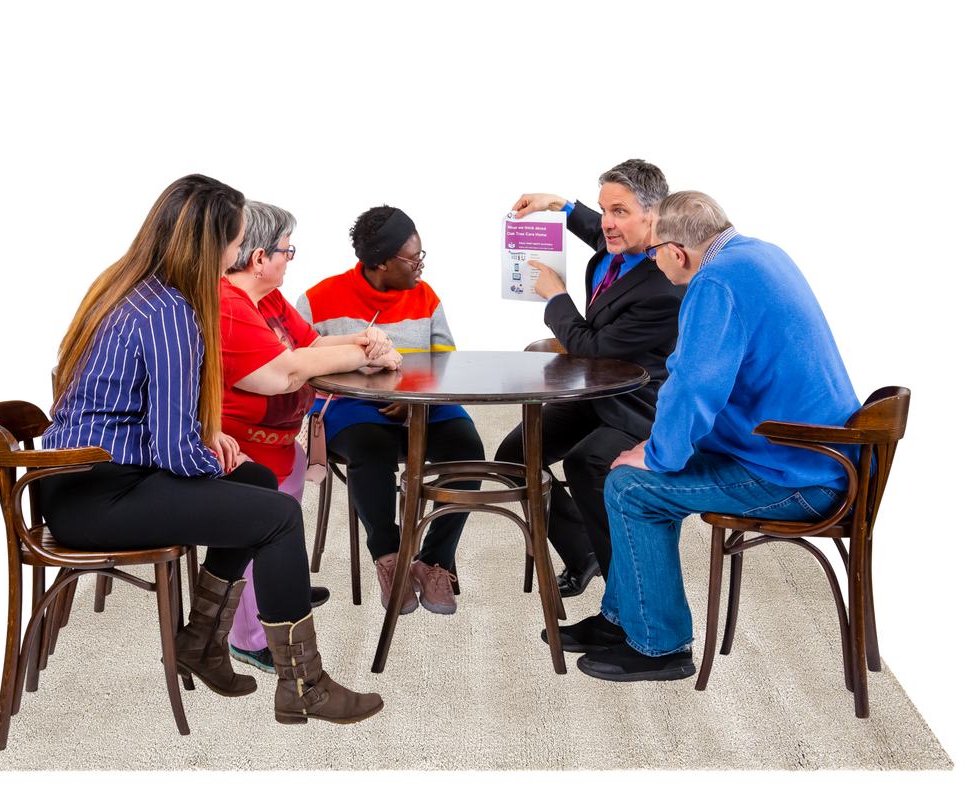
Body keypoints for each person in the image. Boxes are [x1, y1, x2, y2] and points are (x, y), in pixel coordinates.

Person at [40, 172, 385, 726]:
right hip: (99, 496)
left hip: (76, 479)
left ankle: (202, 640)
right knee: (277, 516)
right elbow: (176, 452)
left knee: (258, 484)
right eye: (235, 240)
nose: (240, 252)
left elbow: (147, 416)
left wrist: (209, 440)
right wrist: (208, 448)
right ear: (212, 243)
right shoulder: (173, 311)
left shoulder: (129, 286)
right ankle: (305, 684)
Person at [560, 188, 863, 682]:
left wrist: (656, 456)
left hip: (799, 478)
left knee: (631, 487)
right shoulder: (763, 251)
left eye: (653, 251)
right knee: (639, 468)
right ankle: (621, 621)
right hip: (818, 459)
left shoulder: (715, 282)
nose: (651, 260)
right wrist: (658, 449)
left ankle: (660, 646)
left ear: (677, 253)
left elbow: (695, 384)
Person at [219, 197, 401, 672]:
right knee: (255, 540)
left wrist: (367, 340)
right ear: (260, 259)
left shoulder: (272, 298)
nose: (292, 257)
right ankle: (247, 637)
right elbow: (288, 370)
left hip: (282, 445)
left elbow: (314, 344)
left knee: (278, 536)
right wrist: (364, 354)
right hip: (242, 453)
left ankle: (283, 593)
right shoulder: (230, 305)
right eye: (288, 250)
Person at [496, 156, 685, 600]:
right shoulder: (616, 239)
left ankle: (625, 598)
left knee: (586, 463)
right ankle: (584, 552)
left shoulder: (666, 287)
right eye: (604, 210)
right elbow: (592, 227)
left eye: (619, 212)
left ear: (653, 217)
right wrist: (558, 203)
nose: (606, 224)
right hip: (596, 391)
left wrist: (557, 298)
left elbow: (592, 349)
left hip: (640, 402)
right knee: (514, 455)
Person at [293, 201, 485, 617]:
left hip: (427, 405)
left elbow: (447, 359)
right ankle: (389, 556)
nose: (422, 267)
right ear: (380, 263)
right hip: (350, 406)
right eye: (414, 258)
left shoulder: (428, 293)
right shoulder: (317, 297)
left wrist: (415, 395)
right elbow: (296, 362)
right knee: (370, 450)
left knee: (469, 454)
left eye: (423, 255)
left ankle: (435, 562)